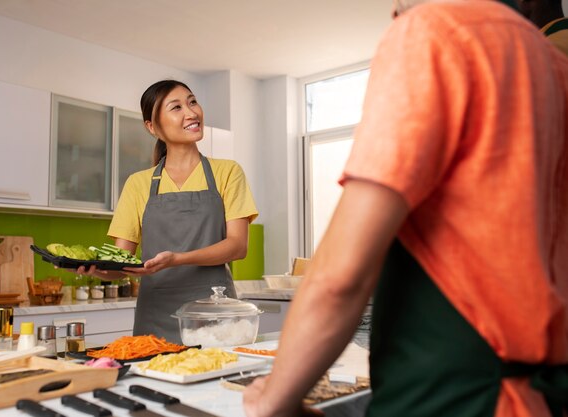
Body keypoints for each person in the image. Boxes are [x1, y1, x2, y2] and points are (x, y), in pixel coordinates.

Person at [243, 1, 568, 417]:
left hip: (451, 396)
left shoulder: (436, 30)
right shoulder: (551, 65)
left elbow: (338, 277)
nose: (394, 17)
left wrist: (275, 400)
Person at [84, 80, 258, 343]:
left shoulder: (227, 172)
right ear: (152, 127)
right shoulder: (138, 184)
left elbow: (237, 246)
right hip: (155, 316)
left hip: (214, 315)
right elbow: (123, 264)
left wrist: (177, 258)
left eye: (192, 102)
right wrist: (93, 268)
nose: (191, 113)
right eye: (176, 107)